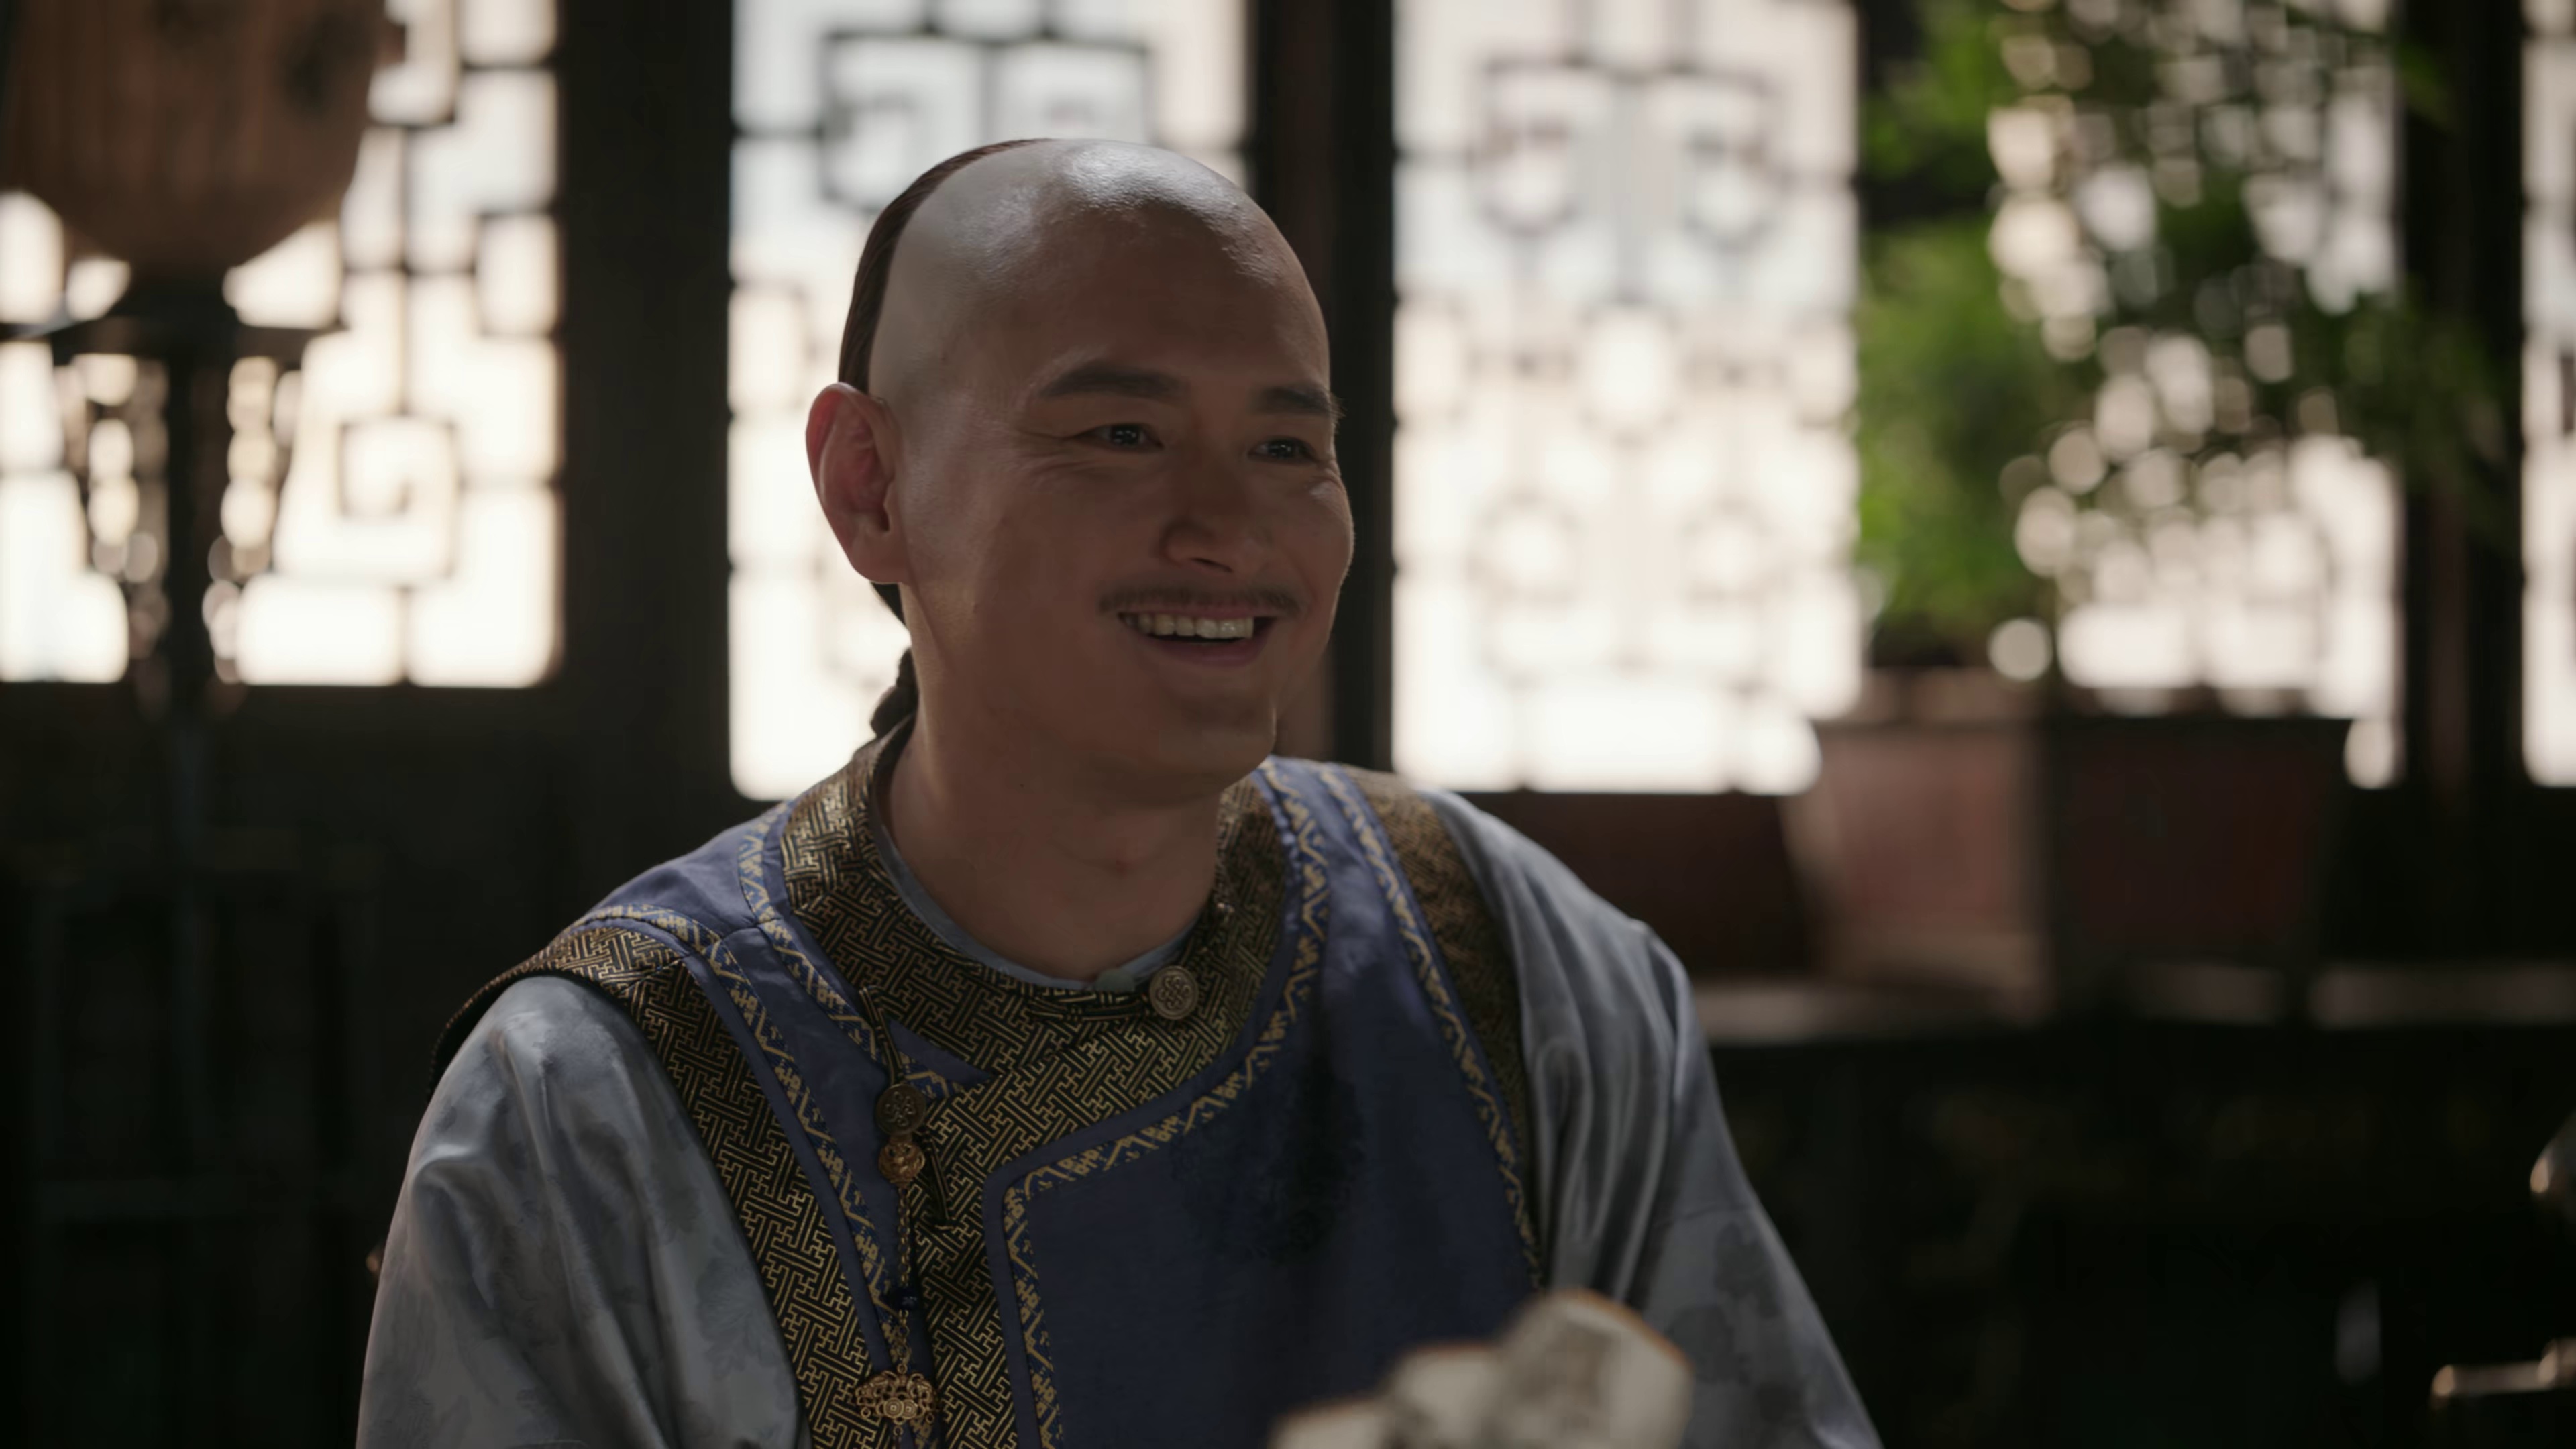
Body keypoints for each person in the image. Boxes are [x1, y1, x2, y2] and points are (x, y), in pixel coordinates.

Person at [356, 138, 1876, 1449]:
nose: (1229, 529)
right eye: (1120, 435)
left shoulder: (1511, 964)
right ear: (870, 486)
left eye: (1288, 446)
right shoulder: (592, 1100)